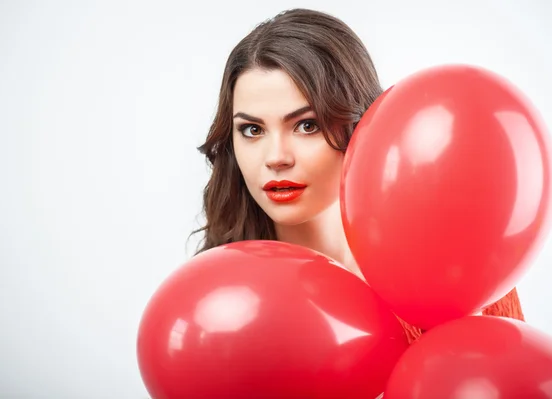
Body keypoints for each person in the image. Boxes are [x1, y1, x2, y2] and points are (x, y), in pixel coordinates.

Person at [190, 7, 524, 343]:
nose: (276, 158)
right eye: (252, 129)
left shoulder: (464, 266)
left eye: (308, 125)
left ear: (361, 124)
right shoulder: (225, 303)